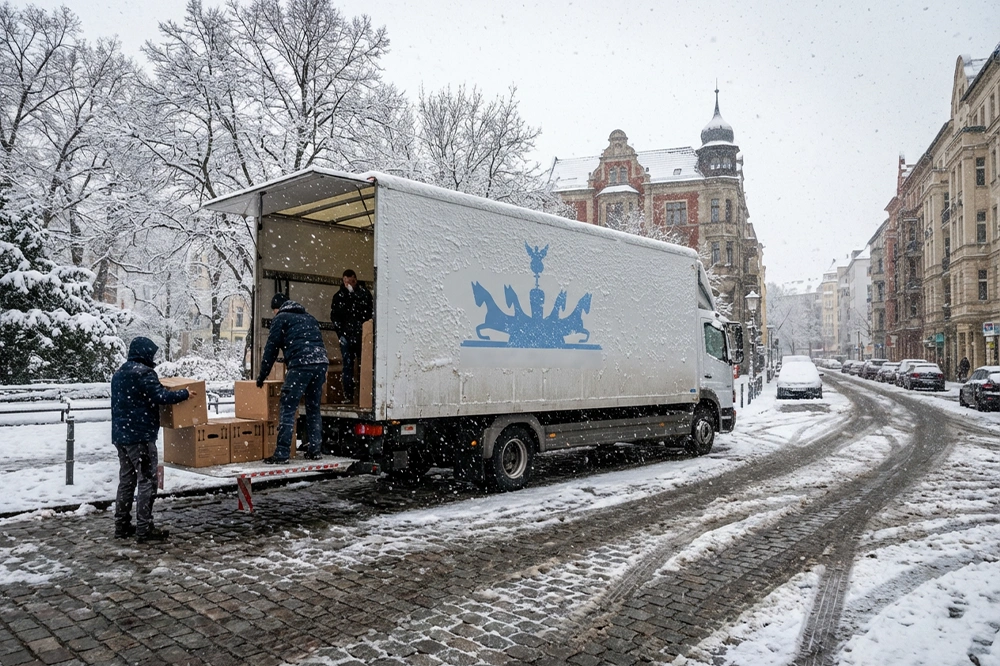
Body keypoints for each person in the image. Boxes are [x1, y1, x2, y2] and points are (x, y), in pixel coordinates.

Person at [111, 337, 190, 543]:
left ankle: (122, 525)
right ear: (145, 353)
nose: (153, 357)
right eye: (151, 353)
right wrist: (185, 393)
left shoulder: (119, 374)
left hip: (122, 437)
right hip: (141, 438)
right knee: (147, 481)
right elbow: (161, 396)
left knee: (127, 481)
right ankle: (144, 529)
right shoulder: (145, 373)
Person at [258, 293, 329, 463]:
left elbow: (271, 350)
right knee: (313, 407)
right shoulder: (309, 317)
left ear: (277, 308)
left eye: (274, 310)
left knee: (288, 406)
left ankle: (282, 453)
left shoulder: (281, 318)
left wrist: (262, 375)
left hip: (301, 364)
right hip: (320, 363)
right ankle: (314, 449)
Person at [329, 269, 373, 403]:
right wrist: (341, 334)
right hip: (347, 336)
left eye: (351, 281)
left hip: (361, 335)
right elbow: (335, 316)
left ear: (355, 280)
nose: (349, 284)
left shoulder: (363, 295)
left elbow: (367, 312)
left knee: (363, 365)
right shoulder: (339, 296)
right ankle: (349, 395)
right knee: (348, 366)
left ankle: (363, 394)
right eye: (346, 281)